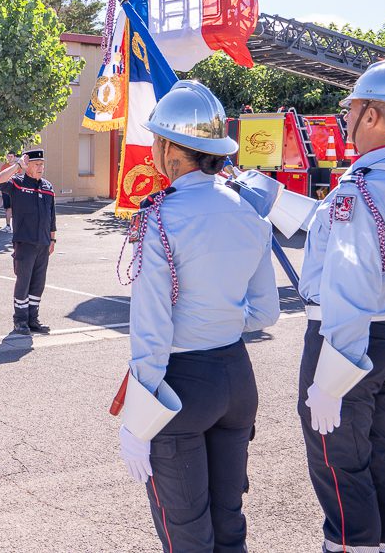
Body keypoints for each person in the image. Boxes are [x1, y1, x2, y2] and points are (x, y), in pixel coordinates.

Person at [114, 81, 279, 552]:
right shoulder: (249, 211)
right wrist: (220, 319)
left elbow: (151, 325)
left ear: (170, 150)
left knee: (186, 530)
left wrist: (137, 418)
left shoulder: (159, 217)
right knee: (229, 521)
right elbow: (265, 312)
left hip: (181, 384)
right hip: (236, 377)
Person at [296, 59, 385, 553]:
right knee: (383, 456)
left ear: (372, 116)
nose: (347, 119)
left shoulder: (360, 189)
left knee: (339, 464)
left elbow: (352, 283)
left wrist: (333, 379)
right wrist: (273, 197)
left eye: (352, 110)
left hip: (350, 340)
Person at [0, 150, 56, 334]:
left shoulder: (47, 187)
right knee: (24, 281)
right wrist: (17, 166)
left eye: (42, 164)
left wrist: (52, 238)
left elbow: (51, 215)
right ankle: (20, 320)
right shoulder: (18, 183)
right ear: (27, 165)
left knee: (38, 283)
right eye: (37, 164)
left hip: (43, 242)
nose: (41, 168)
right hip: (24, 242)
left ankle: (33, 319)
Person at [1, 151, 19, 233]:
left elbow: (18, 177)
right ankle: (8, 225)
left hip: (15, 189)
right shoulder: (4, 166)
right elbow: (1, 177)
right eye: (8, 156)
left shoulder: (17, 166)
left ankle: (16, 226)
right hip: (6, 189)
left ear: (14, 157)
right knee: (7, 208)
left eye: (11, 156)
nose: (10, 158)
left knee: (15, 208)